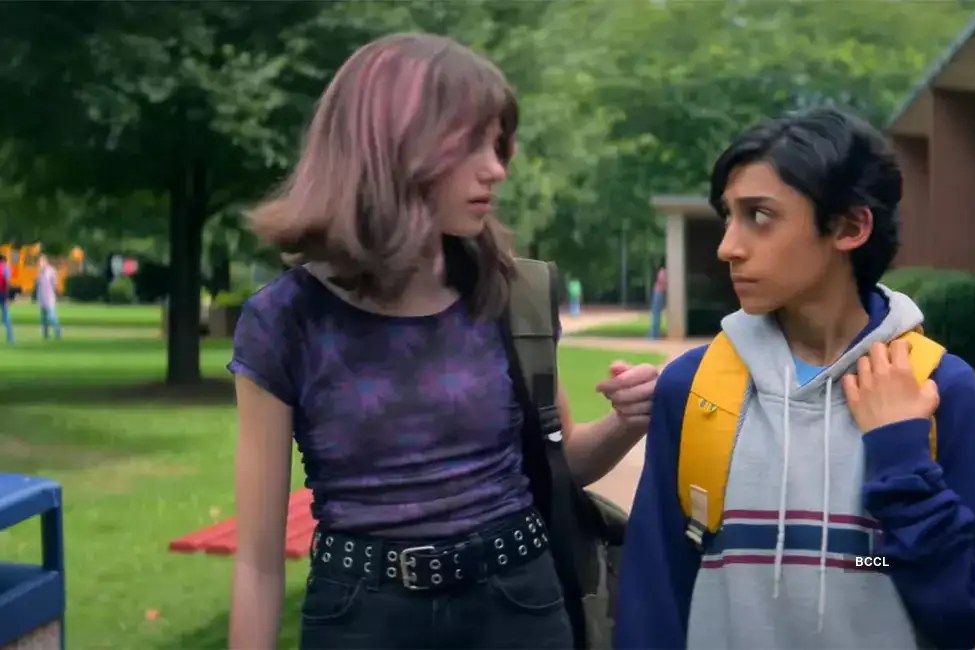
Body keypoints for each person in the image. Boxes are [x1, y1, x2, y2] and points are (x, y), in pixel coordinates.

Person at [225, 32, 659, 650]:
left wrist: (627, 421)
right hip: (362, 617)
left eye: (498, 145)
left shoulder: (509, 292)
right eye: (471, 145)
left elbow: (562, 466)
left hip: (519, 604)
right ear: (391, 148)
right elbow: (258, 563)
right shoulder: (283, 320)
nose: (497, 169)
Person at [616, 106, 975, 649]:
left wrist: (901, 458)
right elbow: (655, 595)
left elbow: (967, 613)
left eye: (759, 216)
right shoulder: (694, 387)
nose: (728, 247)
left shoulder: (936, 387)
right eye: (728, 216)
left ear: (850, 227)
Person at [36, 255, 61, 340]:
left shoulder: (51, 271)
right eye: (39, 262)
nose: (40, 264)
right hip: (41, 298)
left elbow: (55, 284)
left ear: (45, 262)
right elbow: (38, 283)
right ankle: (45, 334)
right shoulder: (39, 272)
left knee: (52, 316)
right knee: (43, 318)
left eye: (41, 262)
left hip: (49, 297)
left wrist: (56, 294)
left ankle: (57, 332)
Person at [649, 263, 666, 339]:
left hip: (658, 294)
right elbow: (662, 282)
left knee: (656, 314)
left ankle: (654, 334)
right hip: (659, 294)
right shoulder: (663, 271)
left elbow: (662, 282)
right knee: (656, 314)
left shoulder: (662, 271)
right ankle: (654, 334)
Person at [0, 254, 12, 344]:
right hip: (3, 294)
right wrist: (8, 297)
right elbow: (8, 282)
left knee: (5, 316)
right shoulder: (6, 268)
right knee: (6, 316)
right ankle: (10, 338)